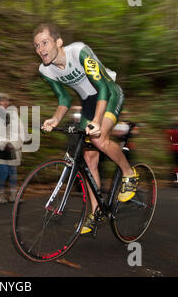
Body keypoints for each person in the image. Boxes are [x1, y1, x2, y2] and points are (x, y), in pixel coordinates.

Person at [34, 22, 139, 235]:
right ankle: (96, 211)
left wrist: (98, 121)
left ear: (58, 42)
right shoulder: (45, 70)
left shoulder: (79, 52)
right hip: (89, 102)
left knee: (99, 139)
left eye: (45, 42)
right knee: (89, 158)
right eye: (36, 46)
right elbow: (64, 98)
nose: (41, 49)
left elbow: (101, 87)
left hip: (109, 93)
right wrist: (55, 119)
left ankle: (129, 173)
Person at [0, 93, 25, 203]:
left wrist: (13, 144)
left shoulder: (14, 115)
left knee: (13, 172)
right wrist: (2, 144)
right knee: (3, 172)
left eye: (6, 100)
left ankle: (14, 195)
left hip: (12, 147)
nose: (4, 103)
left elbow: (20, 130)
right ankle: (0, 195)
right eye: (1, 101)